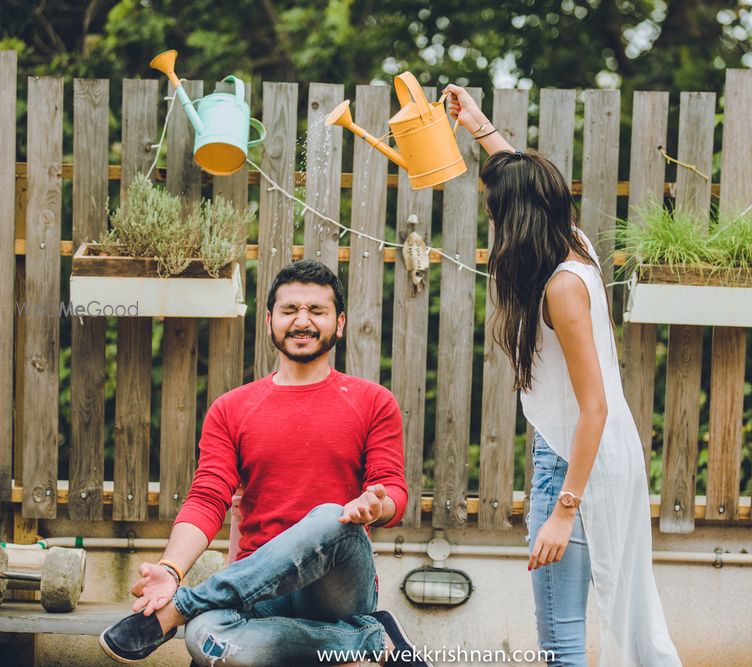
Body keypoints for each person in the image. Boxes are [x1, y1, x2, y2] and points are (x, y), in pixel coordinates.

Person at [443, 85, 682, 667]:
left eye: (496, 210)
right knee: (629, 615)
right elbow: (524, 179)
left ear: (514, 219)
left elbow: (593, 404)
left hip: (574, 464)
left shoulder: (562, 287)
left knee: (561, 639)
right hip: (602, 456)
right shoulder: (574, 249)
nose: (493, 220)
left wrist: (562, 510)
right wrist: (480, 128)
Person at [99, 259, 431, 667]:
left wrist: (377, 505)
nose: (302, 321)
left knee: (331, 516)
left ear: (339, 323)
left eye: (317, 311)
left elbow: (393, 491)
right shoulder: (231, 409)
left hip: (337, 588)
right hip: (258, 594)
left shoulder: (372, 401)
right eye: (290, 310)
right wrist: (169, 568)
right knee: (206, 637)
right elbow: (207, 498)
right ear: (270, 320)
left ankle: (186, 604)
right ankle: (370, 639)